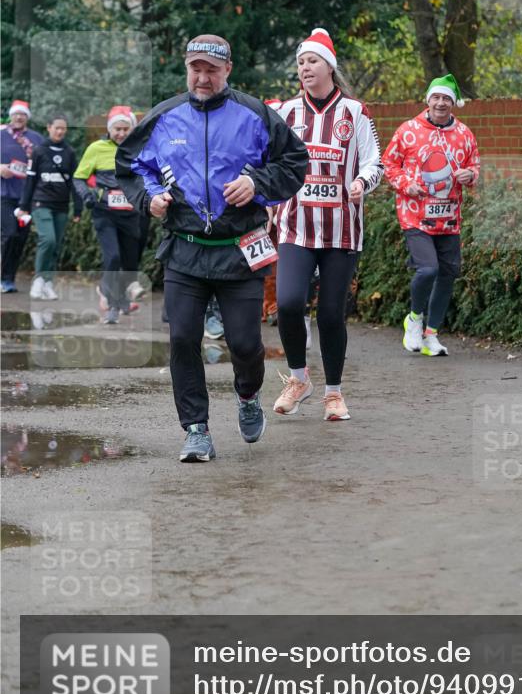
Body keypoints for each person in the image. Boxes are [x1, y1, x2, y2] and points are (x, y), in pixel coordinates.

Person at [115, 34, 308, 462]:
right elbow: (130, 165)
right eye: (195, 69)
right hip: (184, 250)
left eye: (211, 70)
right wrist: (151, 199)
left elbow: (295, 162)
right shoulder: (165, 116)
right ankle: (196, 430)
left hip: (239, 249)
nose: (202, 78)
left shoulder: (255, 114)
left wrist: (256, 183)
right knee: (183, 338)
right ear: (187, 69)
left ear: (228, 70)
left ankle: (247, 395)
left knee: (243, 344)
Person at [272, 28, 383, 421]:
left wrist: (360, 182)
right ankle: (299, 379)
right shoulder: (285, 113)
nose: (305, 68)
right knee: (287, 304)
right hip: (295, 227)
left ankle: (334, 393)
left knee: (331, 314)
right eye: (301, 62)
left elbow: (375, 162)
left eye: (312, 61)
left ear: (329, 68)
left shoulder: (355, 113)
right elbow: (269, 160)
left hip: (341, 231)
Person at [383, 74, 480, 356]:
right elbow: (389, 164)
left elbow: (475, 166)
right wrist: (405, 184)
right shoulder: (408, 130)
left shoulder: (464, 134)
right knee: (428, 269)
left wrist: (469, 175)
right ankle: (414, 319)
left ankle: (431, 335)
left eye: (446, 98)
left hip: (449, 216)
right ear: (428, 100)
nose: (440, 103)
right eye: (436, 97)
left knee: (448, 273)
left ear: (453, 103)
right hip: (415, 213)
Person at [73, 106, 142, 324]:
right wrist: (87, 196)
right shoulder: (97, 148)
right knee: (112, 257)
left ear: (132, 129)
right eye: (117, 129)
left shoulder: (139, 149)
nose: (121, 133)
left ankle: (107, 289)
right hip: (104, 213)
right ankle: (113, 306)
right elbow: (78, 178)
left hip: (131, 215)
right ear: (109, 129)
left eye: (125, 129)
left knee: (130, 263)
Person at [16, 115, 82, 299]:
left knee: (56, 246)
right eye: (57, 128)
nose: (60, 131)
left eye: (63, 128)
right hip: (40, 203)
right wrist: (24, 205)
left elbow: (75, 182)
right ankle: (38, 281)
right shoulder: (38, 151)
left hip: (61, 205)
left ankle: (48, 283)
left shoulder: (69, 152)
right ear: (49, 128)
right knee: (48, 239)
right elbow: (30, 180)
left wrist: (78, 207)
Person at [0, 100, 42, 293]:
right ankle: (4, 277)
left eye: (22, 114)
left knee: (20, 239)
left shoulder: (36, 139)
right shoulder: (1, 135)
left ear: (27, 117)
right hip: (4, 195)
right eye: (16, 114)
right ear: (11, 115)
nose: (19, 117)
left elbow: (44, 163)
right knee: (9, 234)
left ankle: (8, 278)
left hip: (26, 197)